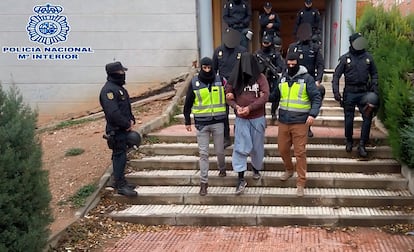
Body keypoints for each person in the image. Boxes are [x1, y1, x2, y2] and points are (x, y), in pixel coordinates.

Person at [276, 51, 321, 197]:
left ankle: (301, 182)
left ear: (297, 64)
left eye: (293, 64)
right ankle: (289, 169)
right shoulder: (282, 78)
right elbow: (275, 95)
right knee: (282, 149)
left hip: (300, 121)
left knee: (300, 152)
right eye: (288, 64)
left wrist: (312, 114)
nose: (290, 66)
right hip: (283, 120)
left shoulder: (306, 78)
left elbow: (316, 97)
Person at [225, 52, 269, 195]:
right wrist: (236, 106)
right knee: (240, 147)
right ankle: (240, 178)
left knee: (257, 146)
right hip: (241, 119)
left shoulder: (260, 78)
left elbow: (265, 95)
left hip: (257, 118)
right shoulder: (235, 78)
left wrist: (250, 108)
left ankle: (256, 168)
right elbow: (228, 96)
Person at [183, 57, 227, 196]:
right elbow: (188, 102)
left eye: (209, 68)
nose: (207, 70)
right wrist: (187, 120)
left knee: (220, 150)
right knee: (203, 153)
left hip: (218, 121)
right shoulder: (195, 82)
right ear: (201, 67)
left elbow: (228, 97)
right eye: (205, 68)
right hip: (202, 123)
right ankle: (204, 183)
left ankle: (222, 168)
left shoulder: (221, 80)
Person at [331, 32, 379, 158]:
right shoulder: (345, 58)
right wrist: (336, 92)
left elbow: (374, 74)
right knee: (348, 119)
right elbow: (336, 75)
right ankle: (349, 140)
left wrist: (374, 87)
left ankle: (362, 144)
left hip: (364, 92)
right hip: (350, 93)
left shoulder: (368, 57)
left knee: (367, 118)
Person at [99, 61, 138, 197]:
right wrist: (126, 124)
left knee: (122, 156)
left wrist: (132, 119)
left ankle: (122, 181)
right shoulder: (108, 91)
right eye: (122, 72)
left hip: (123, 129)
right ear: (115, 73)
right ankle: (120, 185)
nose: (124, 74)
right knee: (119, 157)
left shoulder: (119, 88)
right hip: (116, 130)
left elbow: (125, 108)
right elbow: (113, 113)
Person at [288, 23, 325, 137]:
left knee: (308, 105)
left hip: (310, 80)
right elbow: (288, 63)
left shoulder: (315, 48)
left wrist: (318, 80)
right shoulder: (293, 47)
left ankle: (307, 127)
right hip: (295, 79)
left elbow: (320, 65)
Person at [213, 28, 248, 148]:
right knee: (223, 114)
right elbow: (213, 70)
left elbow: (247, 69)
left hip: (238, 86)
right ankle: (226, 137)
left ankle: (240, 136)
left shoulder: (242, 51)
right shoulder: (218, 51)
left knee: (240, 112)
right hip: (223, 86)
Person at [255, 34, 285, 121]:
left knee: (276, 95)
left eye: (267, 43)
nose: (266, 45)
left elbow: (281, 66)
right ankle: (262, 114)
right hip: (261, 78)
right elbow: (253, 67)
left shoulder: (275, 54)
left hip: (273, 78)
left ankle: (273, 111)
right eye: (264, 43)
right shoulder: (258, 54)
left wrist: (275, 70)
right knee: (261, 97)